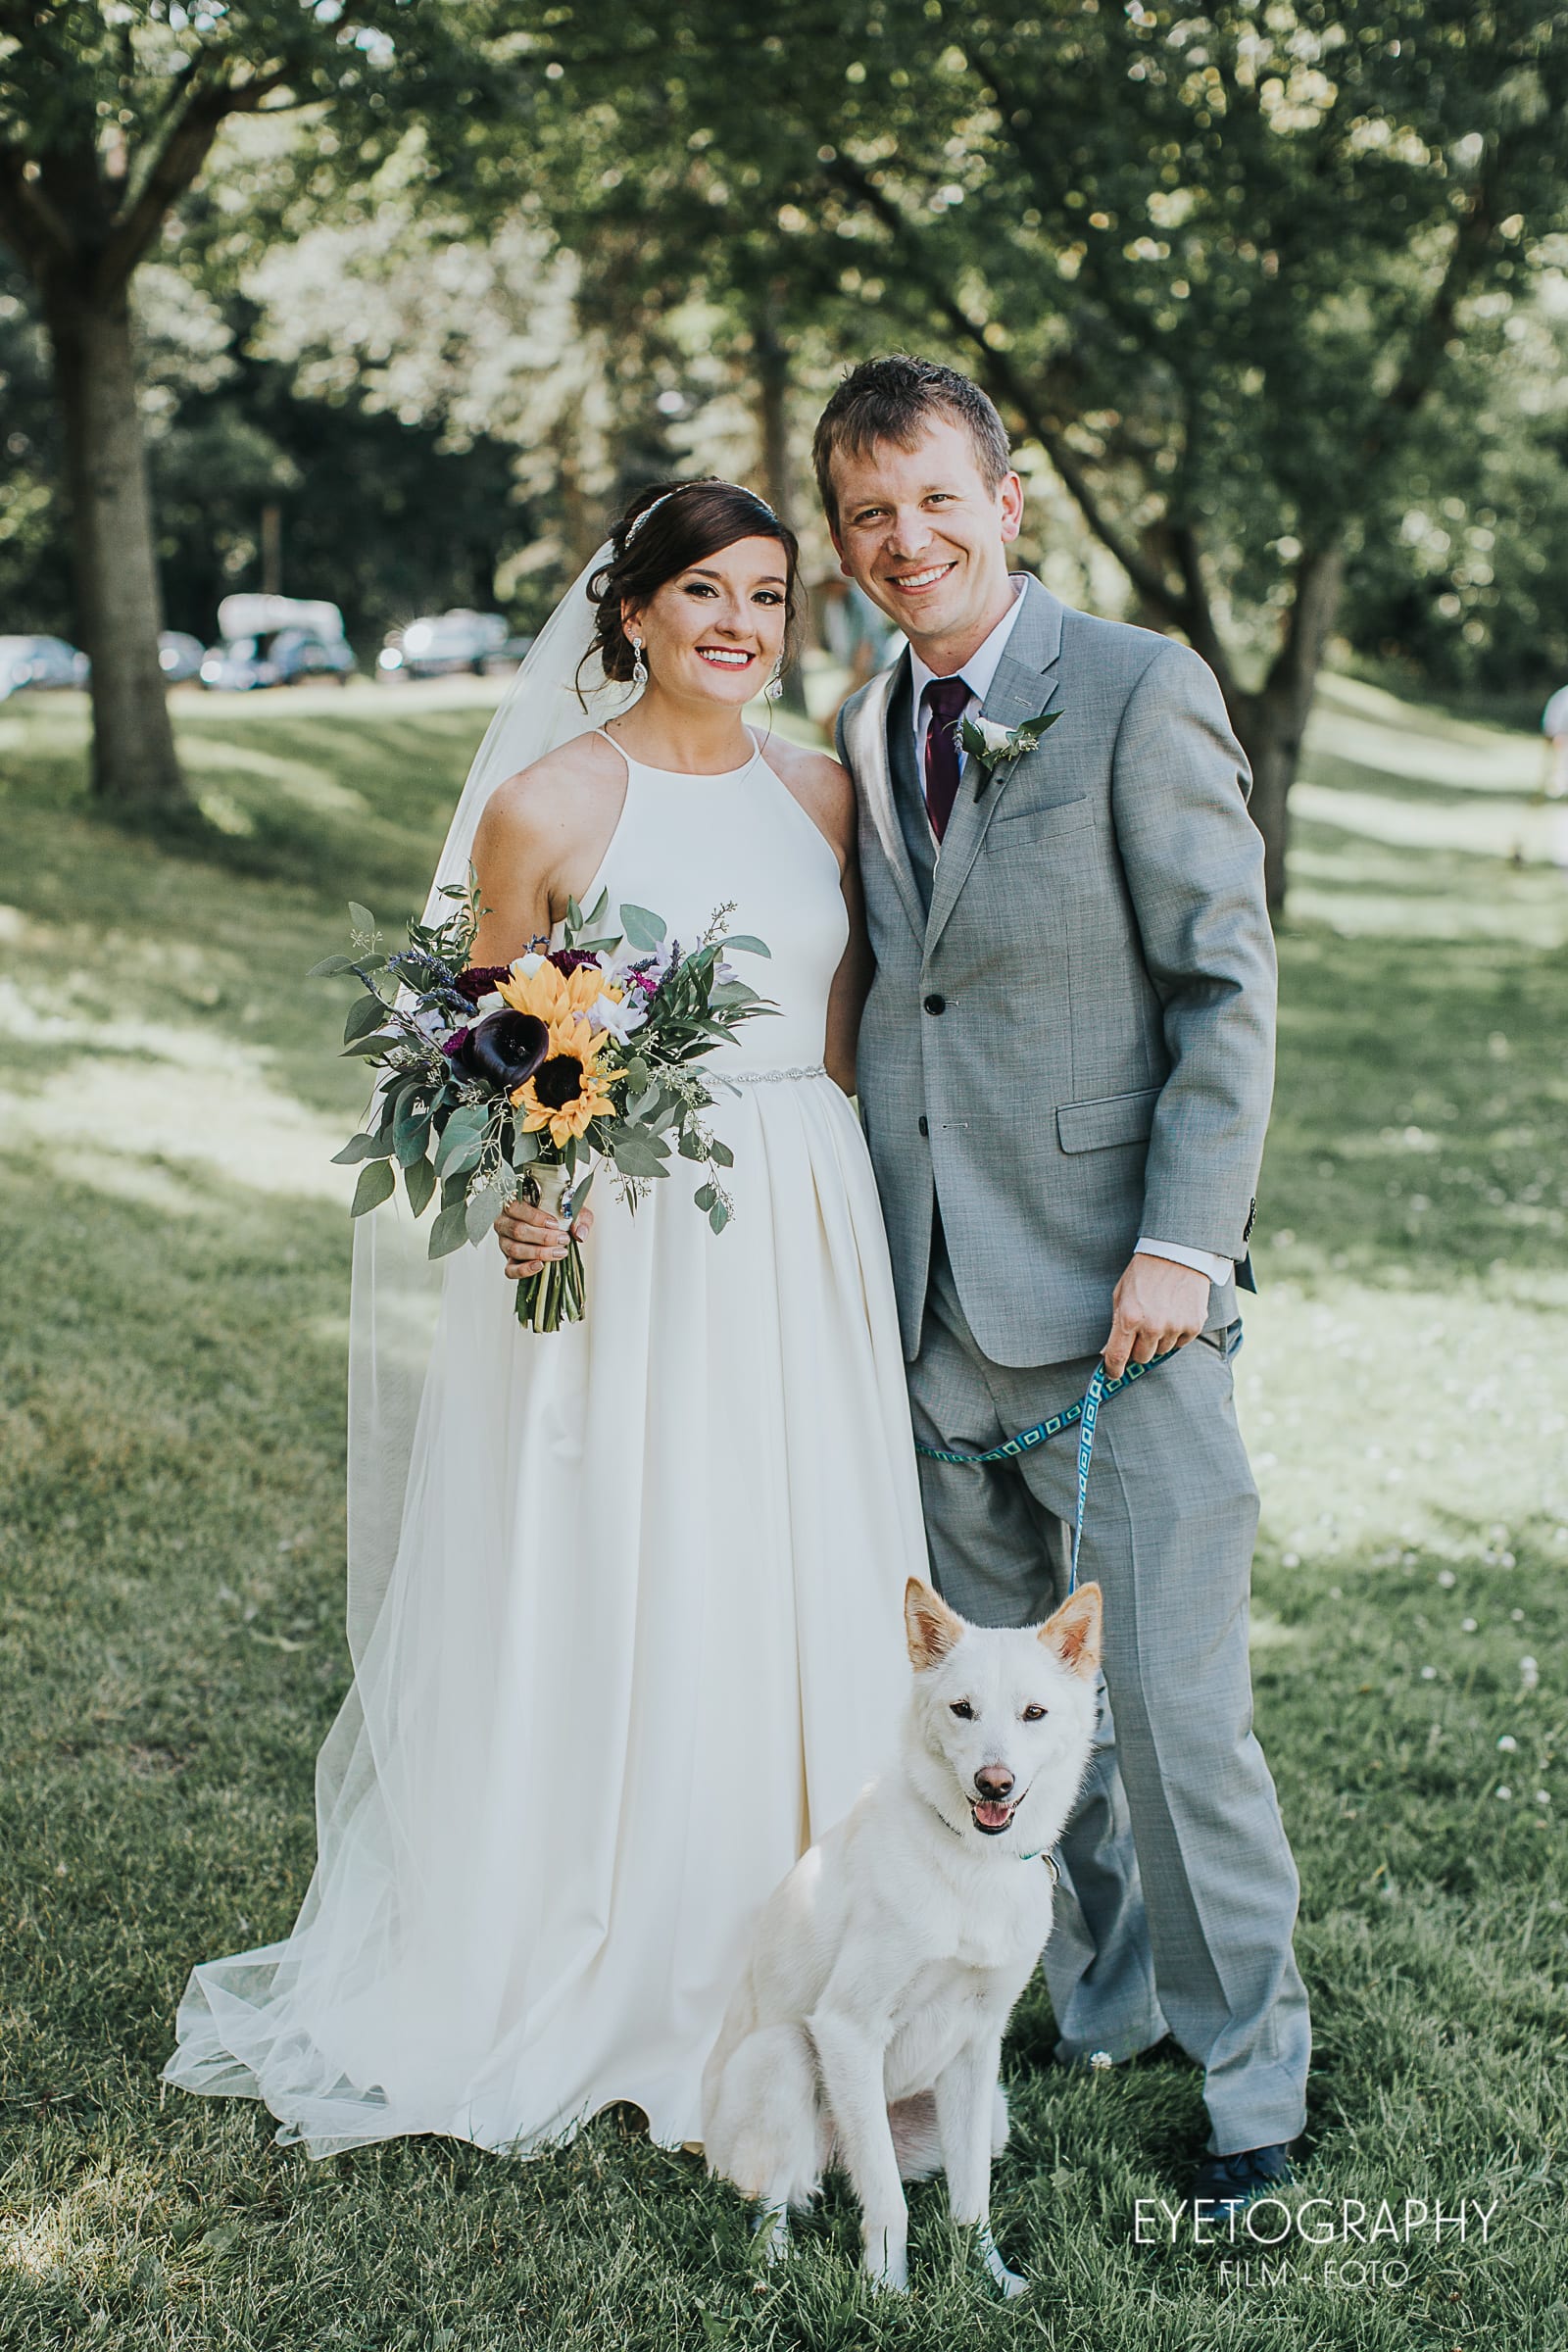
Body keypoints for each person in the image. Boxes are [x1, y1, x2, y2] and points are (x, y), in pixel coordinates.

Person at [164, 479, 926, 2157]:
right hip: (630, 1240)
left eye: (771, 597)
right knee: (634, 1560)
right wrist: (527, 1190)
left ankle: (819, 1955)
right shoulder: (549, 804)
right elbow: (486, 1057)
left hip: (804, 1217)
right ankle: (614, 1950)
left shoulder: (823, 795)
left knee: (790, 1559)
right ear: (632, 610)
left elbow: (855, 1035)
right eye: (706, 594)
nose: (741, 625)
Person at [812, 355, 1309, 2217]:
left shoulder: (1133, 686)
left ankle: (1253, 2077)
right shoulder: (866, 721)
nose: (904, 539)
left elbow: (1223, 986)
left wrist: (1183, 1246)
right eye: (868, 514)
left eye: (936, 499)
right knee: (1004, 1730)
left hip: (1125, 1311)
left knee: (1172, 1727)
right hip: (936, 1319)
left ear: (1006, 500)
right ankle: (1094, 2002)